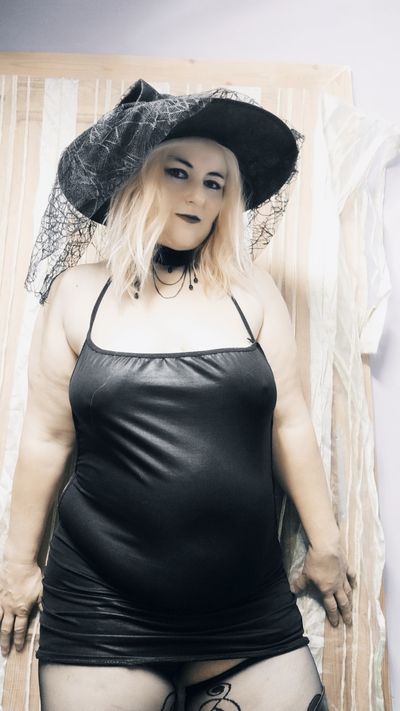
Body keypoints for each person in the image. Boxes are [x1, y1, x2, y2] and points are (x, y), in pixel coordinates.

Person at [0, 79, 355, 711]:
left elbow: (291, 423)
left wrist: (325, 545)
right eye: (179, 172)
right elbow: (46, 437)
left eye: (216, 182)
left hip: (246, 606)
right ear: (136, 178)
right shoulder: (76, 293)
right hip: (102, 611)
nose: (199, 194)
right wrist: (18, 566)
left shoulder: (253, 291)